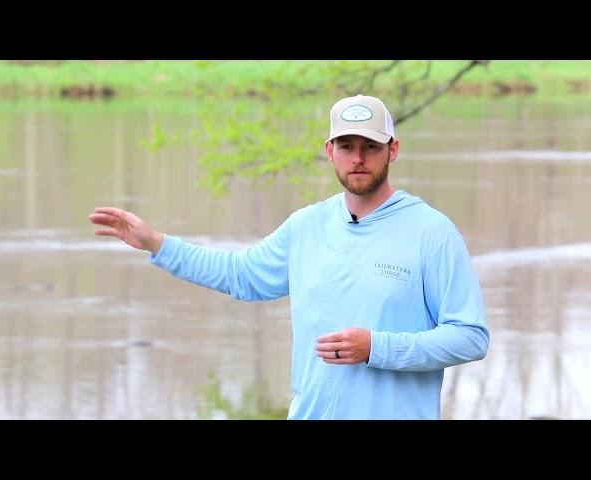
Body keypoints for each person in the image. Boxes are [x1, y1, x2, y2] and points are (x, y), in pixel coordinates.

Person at [88, 94, 489, 420]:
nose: (359, 157)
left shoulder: (432, 233)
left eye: (371, 146)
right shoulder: (306, 225)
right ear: (330, 151)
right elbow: (240, 275)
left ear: (393, 150)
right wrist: (157, 242)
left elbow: (470, 336)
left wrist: (377, 348)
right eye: (347, 146)